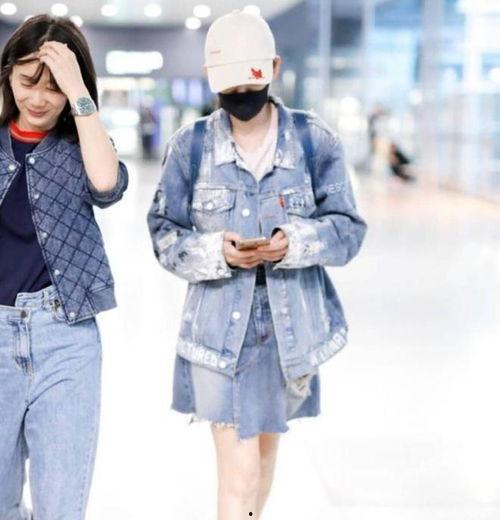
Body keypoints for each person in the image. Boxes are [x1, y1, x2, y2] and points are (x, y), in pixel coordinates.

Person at [147, 11, 366, 520]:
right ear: (211, 79)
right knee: (241, 471)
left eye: (251, 84)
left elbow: (348, 230)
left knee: (264, 460)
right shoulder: (191, 147)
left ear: (274, 68)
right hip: (217, 332)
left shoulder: (314, 141)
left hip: (291, 333)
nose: (241, 97)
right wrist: (216, 252)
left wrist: (294, 242)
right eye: (230, 87)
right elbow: (163, 234)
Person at [0, 15, 128, 520]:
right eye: (28, 81)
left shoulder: (82, 145)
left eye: (54, 88)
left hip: (65, 337)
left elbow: (107, 185)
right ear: (8, 75)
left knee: (60, 507)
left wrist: (79, 92)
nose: (39, 99)